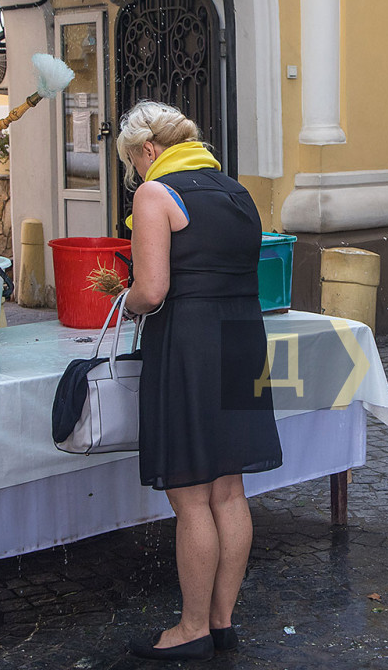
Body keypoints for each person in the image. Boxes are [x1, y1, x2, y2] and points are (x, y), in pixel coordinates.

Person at [117, 100, 282, 661]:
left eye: (134, 162)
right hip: (243, 339)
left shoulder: (155, 194)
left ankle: (192, 628)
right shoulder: (237, 192)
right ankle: (222, 621)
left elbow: (152, 289)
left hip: (189, 345)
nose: (137, 173)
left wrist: (124, 302)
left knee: (191, 499)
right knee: (229, 490)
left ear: (148, 149)